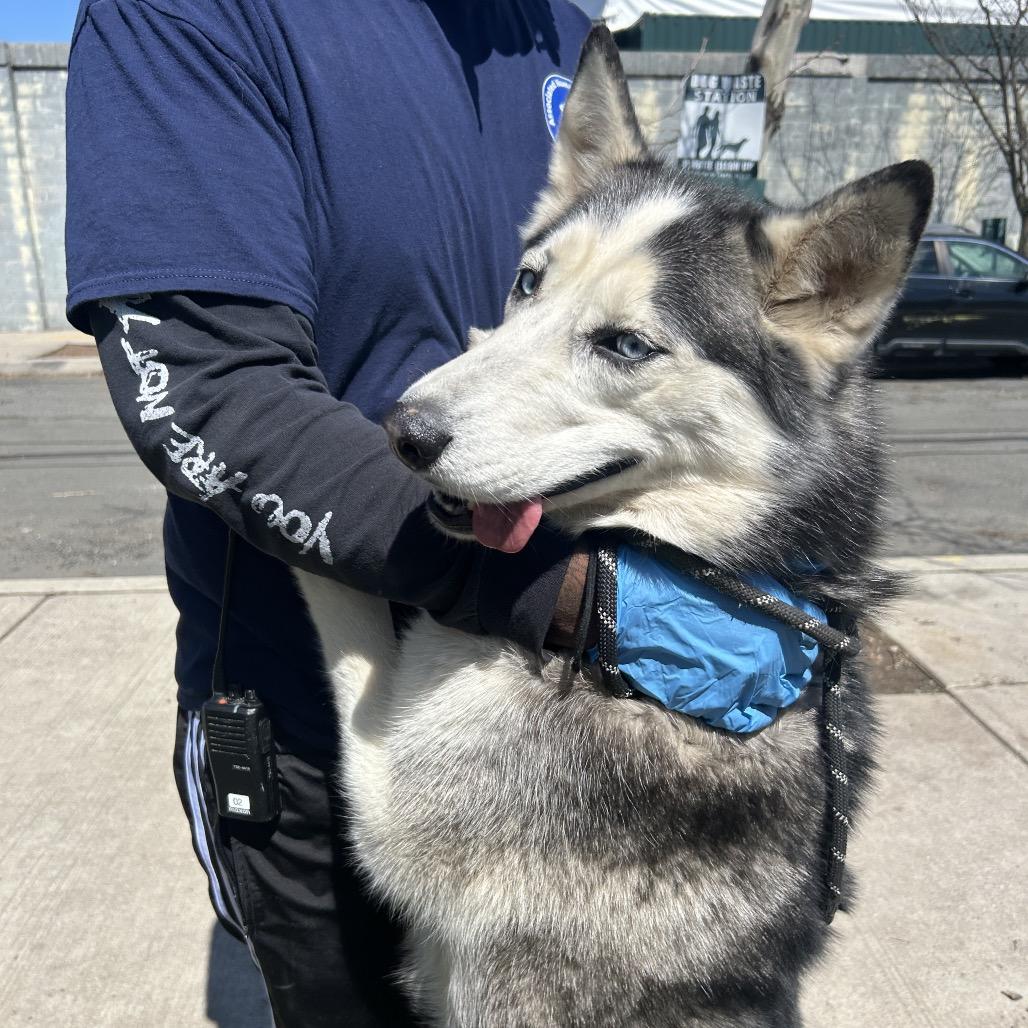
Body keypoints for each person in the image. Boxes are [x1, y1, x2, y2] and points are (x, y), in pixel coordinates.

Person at [65, 1, 592, 1024]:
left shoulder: (559, 33)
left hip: (545, 709)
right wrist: (557, 590)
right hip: (318, 718)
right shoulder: (192, 14)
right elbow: (211, 391)